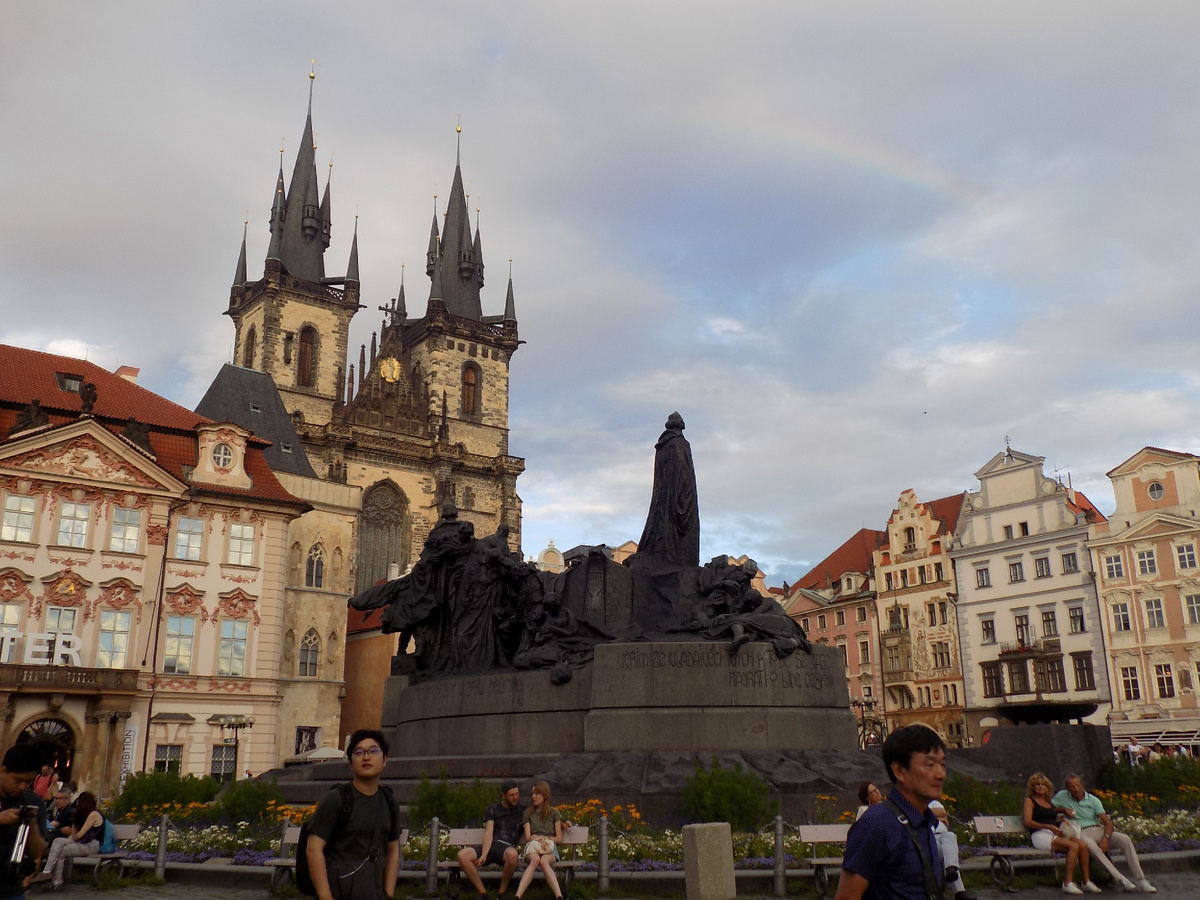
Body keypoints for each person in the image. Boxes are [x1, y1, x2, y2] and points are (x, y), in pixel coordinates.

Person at [836, 725, 948, 900]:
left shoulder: (925, 821)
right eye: (930, 764)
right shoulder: (877, 824)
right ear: (899, 770)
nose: (941, 774)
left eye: (942, 764)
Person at [305, 730, 400, 900]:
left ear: (384, 760)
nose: (366, 757)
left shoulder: (389, 801)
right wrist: (326, 897)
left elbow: (393, 850)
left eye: (373, 751)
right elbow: (313, 848)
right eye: (358, 752)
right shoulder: (337, 799)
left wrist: (388, 894)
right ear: (350, 764)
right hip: (339, 892)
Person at [1053, 774, 1155, 893]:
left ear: (1082, 785)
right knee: (1093, 848)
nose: (1076, 789)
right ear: (1067, 788)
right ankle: (1121, 879)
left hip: (1098, 829)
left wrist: (1105, 839)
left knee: (1125, 839)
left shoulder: (1093, 800)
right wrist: (1063, 810)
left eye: (1077, 785)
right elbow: (1048, 809)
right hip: (1081, 832)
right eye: (1072, 787)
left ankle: (1141, 879)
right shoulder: (1062, 796)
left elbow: (1108, 824)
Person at [1022, 773, 1094, 895]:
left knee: (1082, 845)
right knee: (1073, 846)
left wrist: (1063, 814)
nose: (1040, 787)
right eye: (1037, 784)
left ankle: (1086, 881)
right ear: (1032, 787)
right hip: (1040, 834)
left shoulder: (1047, 802)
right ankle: (1068, 883)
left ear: (1047, 787)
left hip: (1053, 832)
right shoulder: (1029, 800)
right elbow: (1028, 822)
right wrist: (1048, 827)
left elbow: (1050, 814)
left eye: (1043, 784)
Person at [458, 781, 524, 900]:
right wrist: (484, 854)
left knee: (513, 854)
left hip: (506, 848)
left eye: (517, 794)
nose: (515, 797)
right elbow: (489, 832)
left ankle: (502, 893)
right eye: (511, 795)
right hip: (490, 846)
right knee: (463, 855)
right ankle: (482, 893)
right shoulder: (493, 809)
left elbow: (543, 814)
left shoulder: (523, 810)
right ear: (503, 795)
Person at [0, 744, 48, 900]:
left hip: (11, 888)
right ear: (3, 771)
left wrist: (31, 825)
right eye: (18, 780)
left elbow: (35, 853)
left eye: (28, 782)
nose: (22, 787)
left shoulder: (33, 802)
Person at [36, 791, 102, 890]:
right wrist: (75, 818)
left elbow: (79, 835)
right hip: (81, 842)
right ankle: (51, 876)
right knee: (58, 841)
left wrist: (68, 840)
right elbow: (74, 835)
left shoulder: (94, 814)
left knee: (61, 849)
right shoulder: (78, 814)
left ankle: (54, 879)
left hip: (92, 844)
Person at [514, 782, 563, 900]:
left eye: (537, 794)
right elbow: (528, 837)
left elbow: (558, 838)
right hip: (533, 846)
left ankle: (559, 896)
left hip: (549, 847)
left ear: (545, 795)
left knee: (544, 862)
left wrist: (545, 839)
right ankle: (517, 896)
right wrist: (539, 840)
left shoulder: (554, 813)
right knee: (535, 860)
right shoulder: (528, 813)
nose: (533, 797)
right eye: (532, 794)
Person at [927, 799, 972, 900]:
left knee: (950, 836)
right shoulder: (912, 802)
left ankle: (951, 869)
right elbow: (916, 814)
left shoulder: (933, 803)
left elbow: (942, 812)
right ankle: (960, 892)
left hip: (942, 836)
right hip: (927, 839)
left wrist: (926, 815)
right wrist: (936, 817)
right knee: (947, 854)